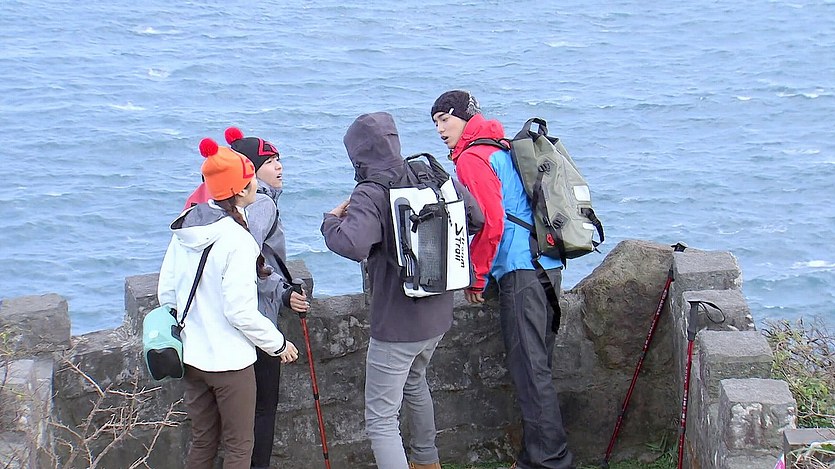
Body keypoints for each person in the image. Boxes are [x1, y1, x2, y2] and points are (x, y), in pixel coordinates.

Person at [320, 112, 483, 469]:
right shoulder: (429, 173)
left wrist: (330, 222)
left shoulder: (371, 191)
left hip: (397, 324)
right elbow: (476, 218)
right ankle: (427, 461)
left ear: (357, 155)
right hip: (437, 314)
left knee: (381, 420)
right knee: (415, 381)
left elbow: (352, 244)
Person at [430, 90, 574, 469]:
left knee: (531, 371)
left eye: (445, 119)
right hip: (547, 262)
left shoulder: (472, 158)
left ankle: (550, 461)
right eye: (436, 123)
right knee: (538, 368)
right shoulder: (500, 145)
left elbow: (491, 223)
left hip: (521, 269)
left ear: (464, 118)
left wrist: (477, 278)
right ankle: (538, 456)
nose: (440, 129)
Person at [157, 138, 299, 469]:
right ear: (241, 189)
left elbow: (167, 293)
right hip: (230, 363)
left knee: (203, 441)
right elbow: (240, 312)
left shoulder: (188, 225)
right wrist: (279, 344)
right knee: (239, 447)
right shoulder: (237, 239)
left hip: (192, 357)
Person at [223, 126, 310, 469]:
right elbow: (251, 262)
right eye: (270, 161)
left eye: (278, 159)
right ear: (250, 171)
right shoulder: (260, 204)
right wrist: (283, 291)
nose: (279, 166)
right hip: (256, 319)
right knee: (262, 409)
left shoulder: (228, 202)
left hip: (229, 321)